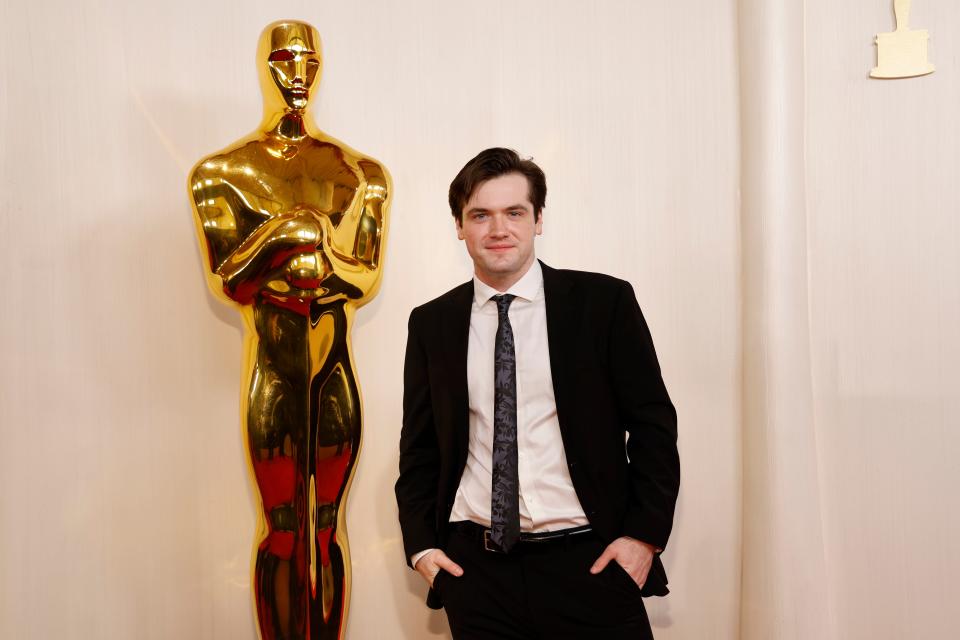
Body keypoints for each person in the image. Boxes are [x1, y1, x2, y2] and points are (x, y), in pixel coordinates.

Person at [395, 148, 678, 639]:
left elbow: (653, 426)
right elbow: (419, 448)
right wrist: (422, 549)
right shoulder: (431, 323)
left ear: (539, 219)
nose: (498, 229)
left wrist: (642, 538)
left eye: (514, 213)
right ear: (460, 226)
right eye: (480, 215)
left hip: (590, 563)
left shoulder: (603, 304)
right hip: (476, 574)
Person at [189, 20, 389, 640]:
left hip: (333, 370)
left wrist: (320, 249)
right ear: (263, 67)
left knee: (328, 522)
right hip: (273, 370)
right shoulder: (220, 174)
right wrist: (284, 233)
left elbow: (364, 280)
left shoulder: (361, 173)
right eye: (284, 61)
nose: (297, 76)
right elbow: (230, 282)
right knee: (280, 522)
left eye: (308, 61)